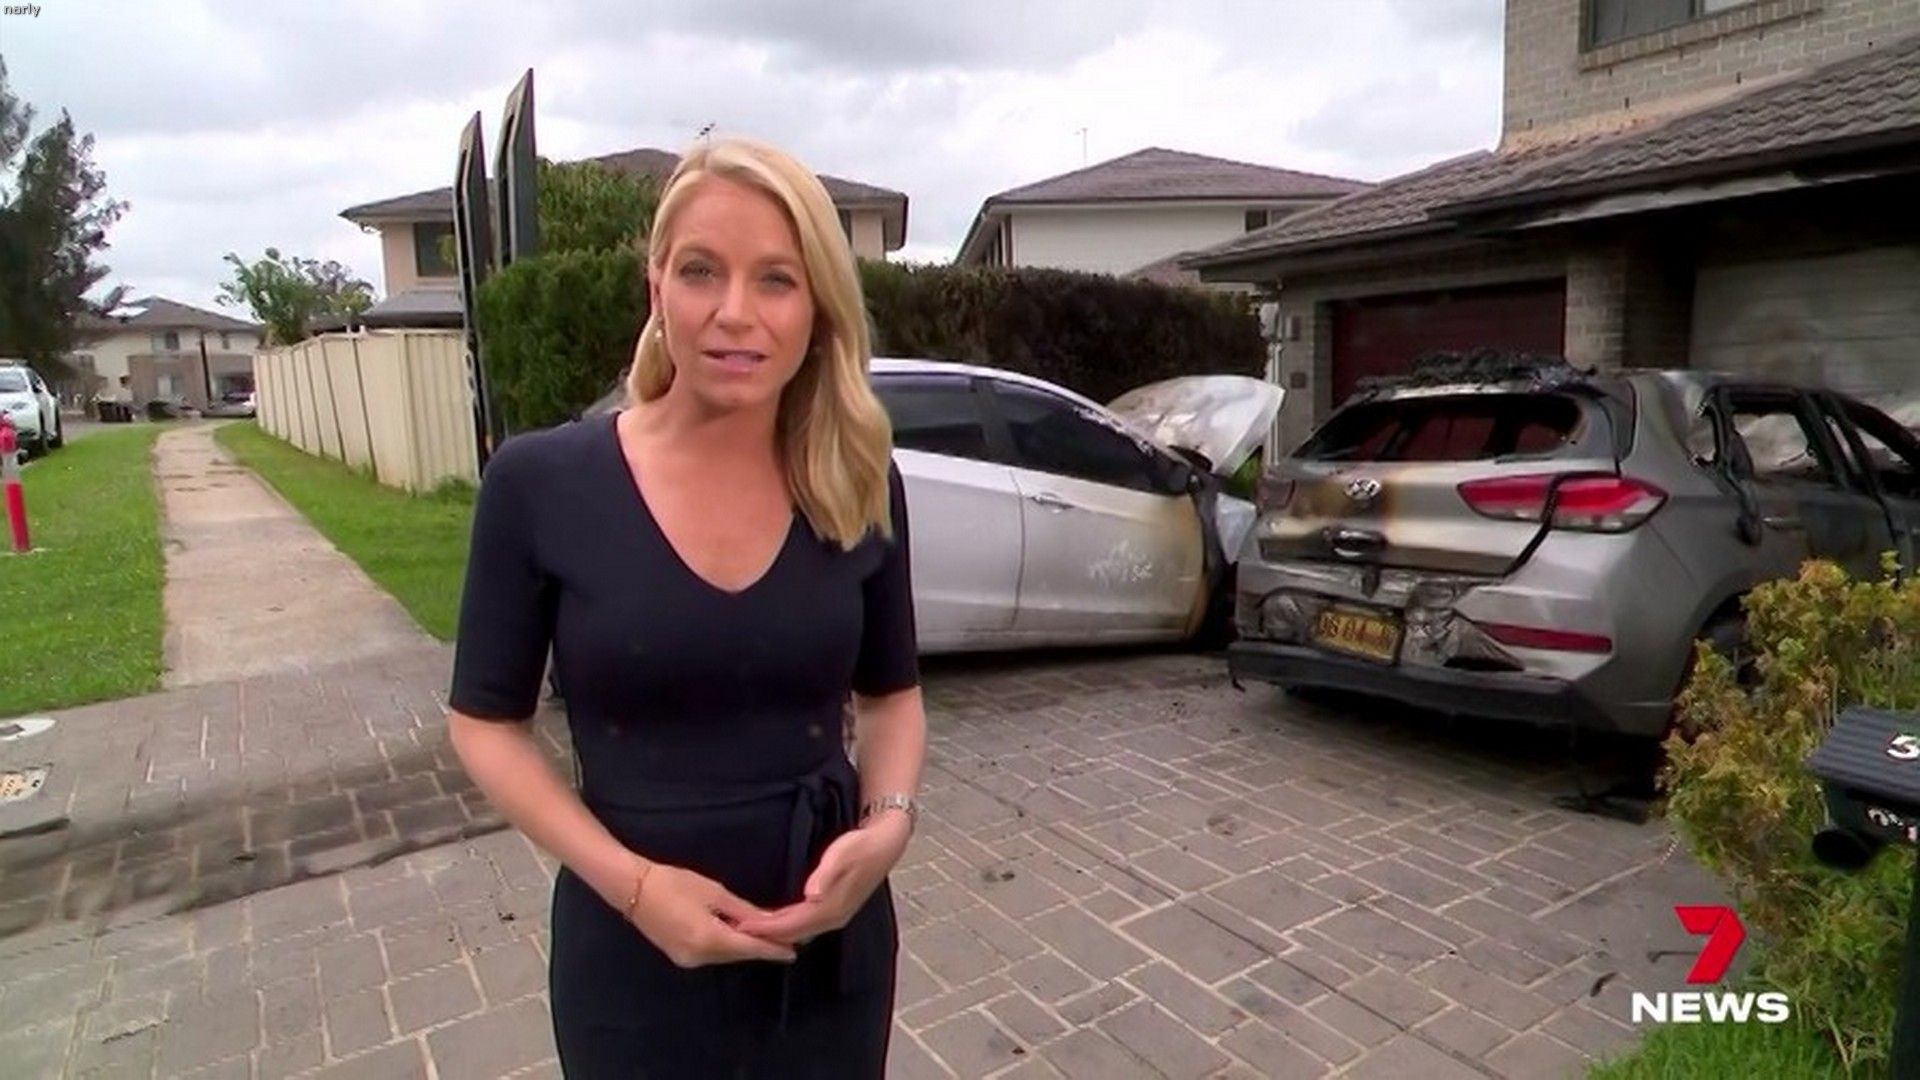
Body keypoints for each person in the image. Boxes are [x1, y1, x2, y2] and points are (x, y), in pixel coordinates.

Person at [446, 135, 927, 1078]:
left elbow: (892, 698)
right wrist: (635, 889)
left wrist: (887, 828)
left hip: (829, 958)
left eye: (777, 279)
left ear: (818, 307)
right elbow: (485, 725)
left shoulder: (856, 482)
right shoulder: (541, 483)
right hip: (633, 964)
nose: (735, 312)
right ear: (657, 286)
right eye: (702, 271)